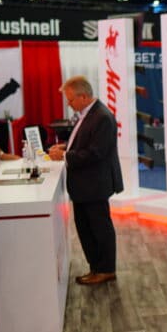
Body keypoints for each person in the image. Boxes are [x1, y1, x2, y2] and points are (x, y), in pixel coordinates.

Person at [48, 76, 123, 285]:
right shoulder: (90, 114)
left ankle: (106, 269)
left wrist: (64, 156)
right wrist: (66, 147)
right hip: (86, 185)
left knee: (99, 228)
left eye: (71, 100)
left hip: (95, 185)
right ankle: (96, 267)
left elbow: (95, 153)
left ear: (83, 96)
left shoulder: (102, 117)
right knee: (86, 228)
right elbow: (83, 142)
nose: (68, 104)